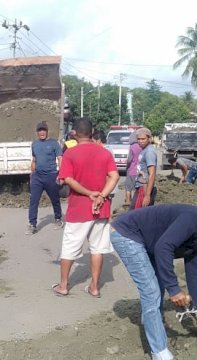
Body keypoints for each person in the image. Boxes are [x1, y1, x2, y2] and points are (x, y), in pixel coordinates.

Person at [110, 200, 197, 360]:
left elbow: (193, 270)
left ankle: (152, 320)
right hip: (127, 234)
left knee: (159, 282)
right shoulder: (192, 219)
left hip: (148, 239)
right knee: (151, 291)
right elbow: (163, 247)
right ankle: (159, 352)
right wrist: (174, 289)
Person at [52, 118, 119, 298]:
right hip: (102, 208)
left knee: (69, 247)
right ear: (92, 132)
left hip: (79, 209)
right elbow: (114, 176)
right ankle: (94, 287)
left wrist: (89, 193)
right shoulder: (104, 153)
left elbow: (67, 179)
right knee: (97, 248)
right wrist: (101, 195)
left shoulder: (71, 154)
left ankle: (64, 285)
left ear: (74, 133)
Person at [26, 121, 64, 234]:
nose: (42, 132)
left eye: (44, 130)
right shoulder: (35, 144)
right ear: (37, 132)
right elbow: (34, 160)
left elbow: (60, 159)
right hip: (37, 176)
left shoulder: (54, 143)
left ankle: (58, 218)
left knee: (55, 199)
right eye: (40, 130)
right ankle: (32, 224)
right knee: (33, 200)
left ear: (47, 132)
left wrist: (61, 175)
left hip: (51, 176)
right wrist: (31, 175)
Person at [131, 127, 157, 210]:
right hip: (140, 186)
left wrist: (147, 195)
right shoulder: (144, 150)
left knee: (136, 214)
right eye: (138, 139)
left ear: (149, 138)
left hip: (144, 188)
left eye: (143, 139)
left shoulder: (149, 152)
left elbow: (152, 173)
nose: (140, 141)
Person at [125, 130, 141, 206]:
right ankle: (135, 202)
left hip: (132, 170)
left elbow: (129, 159)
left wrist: (126, 165)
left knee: (128, 187)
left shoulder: (132, 146)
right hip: (139, 171)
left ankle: (128, 201)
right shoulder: (142, 146)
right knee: (137, 188)